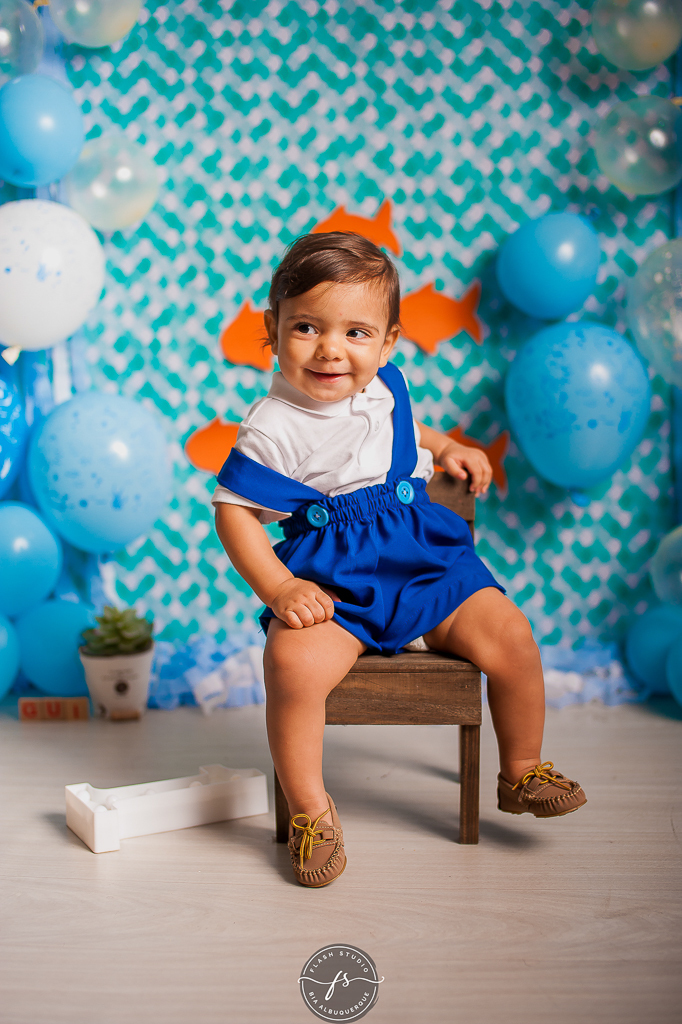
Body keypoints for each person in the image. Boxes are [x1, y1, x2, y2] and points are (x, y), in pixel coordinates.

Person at [213, 232, 586, 888]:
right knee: (291, 665)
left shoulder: (385, 387)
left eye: (357, 333)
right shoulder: (271, 424)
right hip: (337, 584)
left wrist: (445, 445)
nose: (331, 349)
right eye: (306, 327)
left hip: (423, 562)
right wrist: (278, 586)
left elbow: (399, 431)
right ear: (271, 331)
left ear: (388, 342)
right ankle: (311, 811)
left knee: (513, 638)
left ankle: (521, 769)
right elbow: (234, 511)